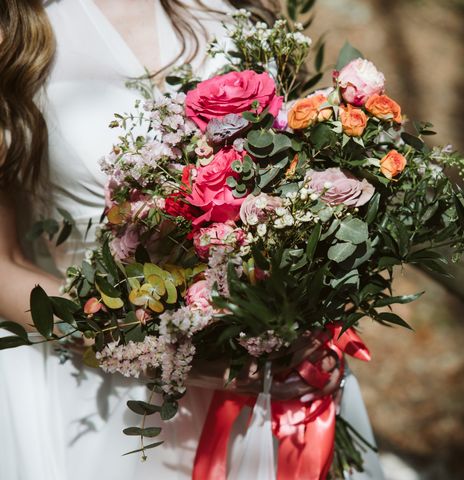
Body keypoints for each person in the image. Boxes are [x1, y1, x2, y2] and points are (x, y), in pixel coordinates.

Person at [0, 0, 385, 479]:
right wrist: (159, 353)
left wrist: (312, 304)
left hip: (282, 370)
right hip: (113, 392)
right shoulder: (13, 31)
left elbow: (303, 152)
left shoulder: (242, 8)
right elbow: (3, 263)